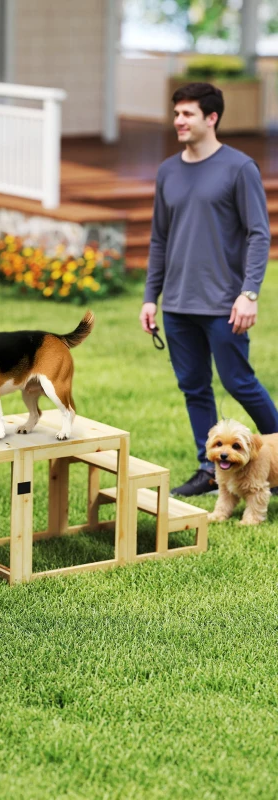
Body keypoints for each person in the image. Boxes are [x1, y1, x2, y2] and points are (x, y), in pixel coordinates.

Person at [139, 82, 278, 497]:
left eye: (187, 114)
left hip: (224, 304)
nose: (178, 121)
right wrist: (151, 296)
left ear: (211, 118)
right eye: (176, 113)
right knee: (194, 386)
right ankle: (209, 470)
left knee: (238, 381)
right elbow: (159, 238)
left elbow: (258, 235)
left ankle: (276, 461)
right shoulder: (167, 171)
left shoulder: (239, 168)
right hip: (178, 305)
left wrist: (248, 292)